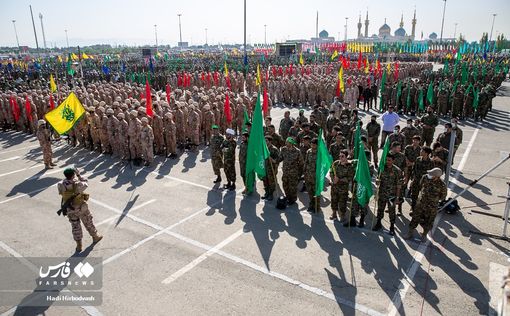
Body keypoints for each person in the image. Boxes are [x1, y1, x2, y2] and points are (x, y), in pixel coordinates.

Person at [58, 168, 102, 252]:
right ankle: (95, 237)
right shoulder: (77, 184)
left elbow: (61, 192)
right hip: (80, 207)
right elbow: (86, 182)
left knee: (75, 226)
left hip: (70, 209)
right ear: (73, 175)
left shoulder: (60, 184)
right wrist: (79, 175)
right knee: (88, 221)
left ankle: (79, 245)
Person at [404, 167, 447, 240]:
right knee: (415, 218)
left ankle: (424, 235)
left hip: (432, 206)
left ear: (437, 176)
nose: (429, 175)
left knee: (429, 221)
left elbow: (443, 196)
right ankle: (410, 233)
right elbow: (420, 186)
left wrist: (433, 199)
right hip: (421, 203)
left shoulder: (442, 184)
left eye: (432, 174)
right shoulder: (425, 177)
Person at [373, 153, 402, 236]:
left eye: (389, 160)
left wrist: (397, 197)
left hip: (392, 195)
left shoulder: (397, 171)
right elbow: (378, 179)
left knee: (392, 211)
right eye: (386, 160)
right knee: (380, 209)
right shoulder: (382, 168)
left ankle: (392, 227)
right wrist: (377, 181)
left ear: (393, 161)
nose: (387, 162)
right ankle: (378, 223)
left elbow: (399, 185)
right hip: (382, 193)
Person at [329, 150, 354, 222]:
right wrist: (333, 179)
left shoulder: (349, 166)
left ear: (346, 157)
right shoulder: (336, 163)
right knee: (334, 200)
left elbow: (349, 178)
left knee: (342, 202)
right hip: (334, 187)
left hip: (343, 189)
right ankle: (334, 213)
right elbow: (331, 171)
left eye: (342, 156)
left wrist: (339, 180)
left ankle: (342, 215)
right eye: (340, 156)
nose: (340, 157)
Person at [279, 137, 303, 205]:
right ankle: (288, 197)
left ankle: (293, 199)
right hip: (285, 172)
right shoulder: (283, 149)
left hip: (293, 173)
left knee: (292, 187)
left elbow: (301, 163)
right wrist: (274, 160)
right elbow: (280, 158)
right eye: (286, 142)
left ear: (291, 143)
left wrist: (299, 173)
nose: (286, 143)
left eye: (287, 142)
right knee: (285, 185)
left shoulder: (297, 151)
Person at [262, 135, 280, 201]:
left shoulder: (274, 149)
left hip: (271, 168)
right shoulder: (263, 148)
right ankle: (266, 193)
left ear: (270, 141)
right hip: (264, 167)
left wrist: (273, 160)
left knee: (271, 182)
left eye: (266, 141)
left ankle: (271, 194)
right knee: (265, 181)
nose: (265, 142)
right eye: (265, 141)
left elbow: (278, 158)